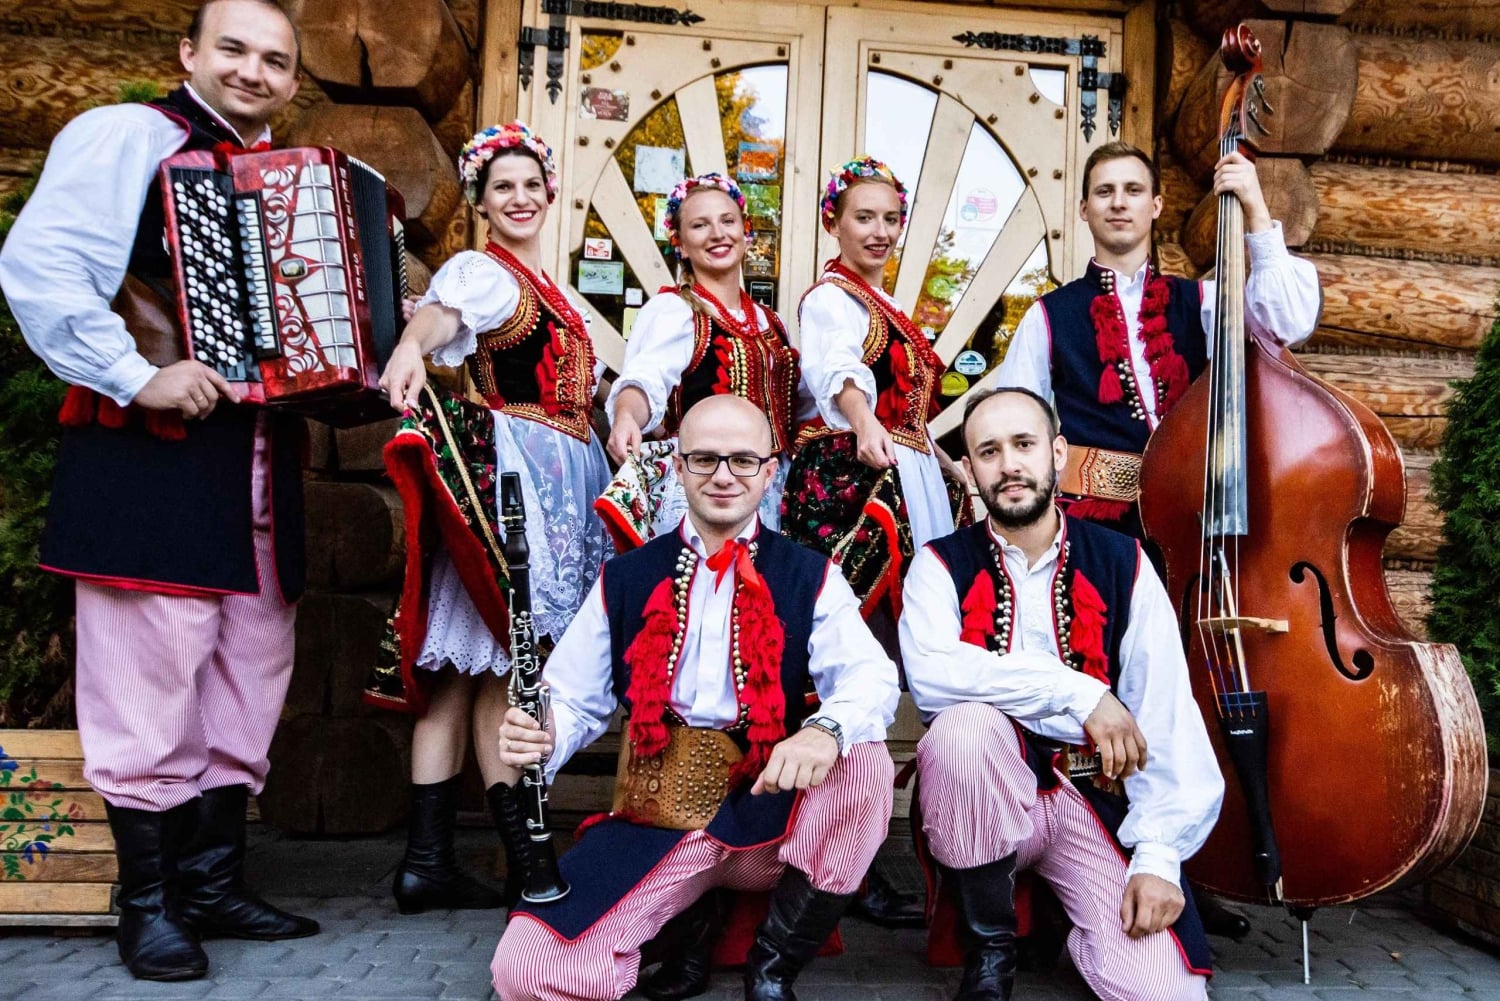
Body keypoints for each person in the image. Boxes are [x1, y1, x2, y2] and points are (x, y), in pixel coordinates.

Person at [0, 0, 318, 981]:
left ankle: (213, 879)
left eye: (274, 59)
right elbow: (43, 265)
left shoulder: (290, 181)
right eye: (233, 49)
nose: (254, 71)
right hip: (154, 453)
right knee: (148, 671)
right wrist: (136, 374)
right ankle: (146, 900)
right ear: (188, 51)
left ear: (293, 80)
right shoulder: (125, 136)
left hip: (257, 463)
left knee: (249, 664)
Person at [489, 395, 901, 1001]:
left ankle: (773, 968)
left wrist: (823, 730)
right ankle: (681, 922)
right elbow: (573, 698)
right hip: (655, 816)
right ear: (678, 469)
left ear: (769, 471)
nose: (724, 475)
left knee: (864, 761)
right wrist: (540, 733)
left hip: (765, 812)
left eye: (742, 460)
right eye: (704, 459)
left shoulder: (811, 575)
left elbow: (871, 678)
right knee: (524, 971)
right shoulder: (627, 577)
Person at [900, 387, 1224, 1001]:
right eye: (988, 452)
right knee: (966, 727)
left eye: (1024, 445)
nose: (1009, 465)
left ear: (1057, 453)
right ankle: (990, 950)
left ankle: (1088, 930)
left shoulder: (1124, 561)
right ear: (969, 471)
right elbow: (933, 675)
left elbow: (1164, 712)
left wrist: (1158, 858)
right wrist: (1076, 692)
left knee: (1165, 994)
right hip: (986, 805)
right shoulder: (938, 564)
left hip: (1093, 801)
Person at [370, 122, 611, 915]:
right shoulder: (484, 272)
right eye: (501, 186)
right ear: (479, 202)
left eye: (530, 184)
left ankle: (426, 862)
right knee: (506, 665)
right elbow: (442, 316)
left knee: (466, 675)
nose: (519, 197)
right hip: (515, 484)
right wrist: (411, 346)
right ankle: (527, 857)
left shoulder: (559, 296)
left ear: (550, 195)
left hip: (558, 476)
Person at [994, 140, 1320, 538]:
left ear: (1156, 206)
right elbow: (1013, 427)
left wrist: (1255, 207)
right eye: (1104, 191)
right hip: (1093, 533)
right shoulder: (1046, 317)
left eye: (1133, 190)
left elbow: (1288, 322)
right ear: (1084, 209)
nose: (1119, 203)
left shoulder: (1205, 301)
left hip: (1195, 525)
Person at [780, 156, 963, 621]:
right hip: (856, 468)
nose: (879, 232)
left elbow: (904, 411)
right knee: (856, 607)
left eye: (890, 219)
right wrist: (863, 425)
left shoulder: (885, 304)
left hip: (905, 464)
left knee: (923, 600)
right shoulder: (830, 298)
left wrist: (941, 461)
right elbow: (837, 371)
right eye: (864, 218)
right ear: (833, 223)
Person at [599, 172, 809, 545]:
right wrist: (627, 415)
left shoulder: (771, 323)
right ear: (680, 244)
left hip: (773, 488)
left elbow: (801, 405)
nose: (718, 234)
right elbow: (645, 380)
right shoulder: (675, 311)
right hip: (708, 482)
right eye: (700, 225)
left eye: (728, 221)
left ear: (747, 234)